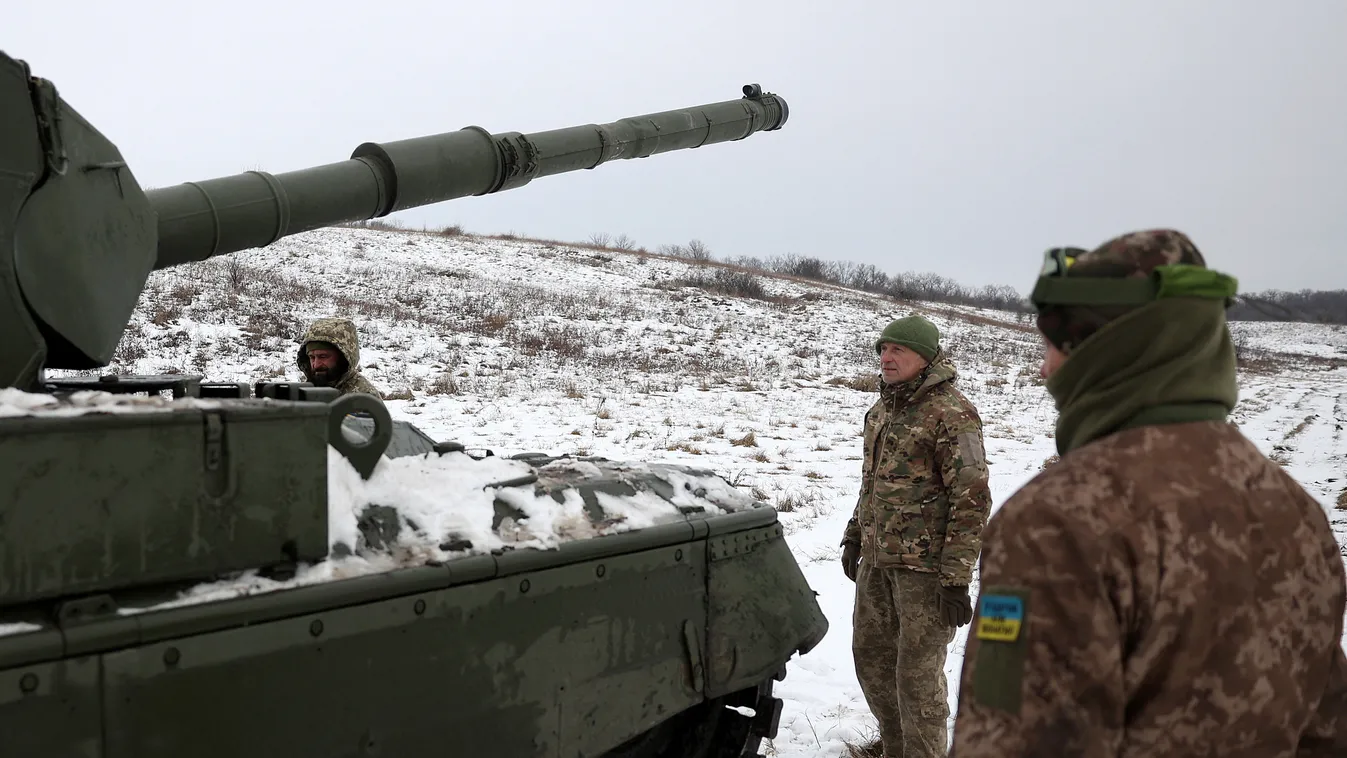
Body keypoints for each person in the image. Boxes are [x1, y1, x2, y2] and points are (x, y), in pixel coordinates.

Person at [949, 230, 1347, 757]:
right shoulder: (1294, 509)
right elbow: (1325, 729)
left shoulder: (1059, 521)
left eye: (1052, 345)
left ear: (1109, 350)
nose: (1044, 370)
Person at [842, 314, 994, 758]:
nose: (886, 359)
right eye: (883, 350)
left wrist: (955, 579)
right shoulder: (882, 410)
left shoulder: (952, 414)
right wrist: (855, 534)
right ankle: (895, 748)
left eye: (898, 351)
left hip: (925, 573)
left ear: (925, 357)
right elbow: (872, 482)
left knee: (917, 680)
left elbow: (972, 500)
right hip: (878, 564)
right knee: (871, 663)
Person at [296, 316, 385, 401]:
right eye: (312, 357)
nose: (316, 364)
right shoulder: (304, 391)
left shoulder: (364, 398)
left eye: (323, 356)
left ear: (343, 357)